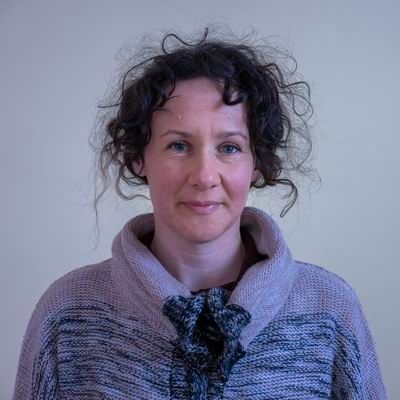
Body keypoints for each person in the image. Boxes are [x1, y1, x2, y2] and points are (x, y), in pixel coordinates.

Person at [13, 29, 386, 399]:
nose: (205, 176)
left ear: (257, 163)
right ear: (139, 158)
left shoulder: (330, 309)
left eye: (229, 147)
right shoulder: (68, 313)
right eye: (178, 145)